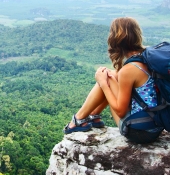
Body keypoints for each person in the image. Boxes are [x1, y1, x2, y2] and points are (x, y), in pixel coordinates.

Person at [64, 16, 163, 144]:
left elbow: (121, 112)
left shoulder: (129, 70)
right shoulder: (149, 56)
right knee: (111, 74)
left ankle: (78, 120)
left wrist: (103, 83)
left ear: (116, 39)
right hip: (155, 125)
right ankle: (94, 116)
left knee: (107, 78)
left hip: (139, 132)